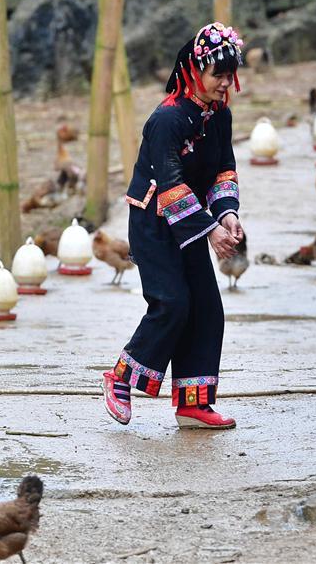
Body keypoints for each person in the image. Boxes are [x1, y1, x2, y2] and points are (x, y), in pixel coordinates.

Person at [101, 22, 245, 429]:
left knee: (207, 309)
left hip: (190, 222)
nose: (224, 83)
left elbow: (222, 172)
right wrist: (211, 229)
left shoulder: (220, 116)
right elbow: (170, 183)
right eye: (218, 74)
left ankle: (193, 404)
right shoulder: (167, 119)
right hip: (153, 224)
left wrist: (228, 214)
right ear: (195, 70)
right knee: (172, 303)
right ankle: (120, 378)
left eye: (229, 76)